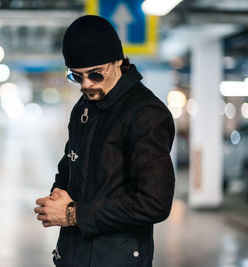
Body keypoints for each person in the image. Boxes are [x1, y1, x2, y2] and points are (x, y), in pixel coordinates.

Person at [34, 15, 175, 267]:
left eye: (95, 75)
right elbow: (69, 165)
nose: (86, 85)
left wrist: (72, 214)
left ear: (117, 61)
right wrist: (58, 195)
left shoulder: (146, 114)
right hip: (74, 253)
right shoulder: (83, 108)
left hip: (116, 258)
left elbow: (154, 203)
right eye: (76, 77)